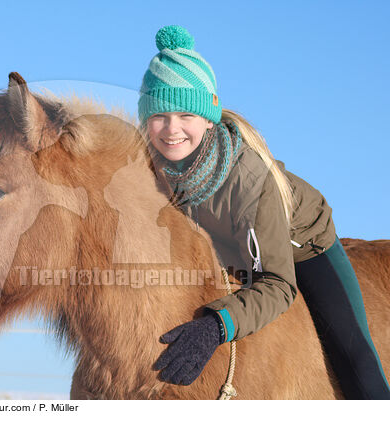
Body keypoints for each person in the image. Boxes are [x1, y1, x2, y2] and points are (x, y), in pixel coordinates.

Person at [138, 25, 390, 399]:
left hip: (300, 248)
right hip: (227, 252)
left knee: (353, 356)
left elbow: (276, 283)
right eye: (159, 115)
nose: (172, 129)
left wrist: (214, 326)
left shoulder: (249, 179)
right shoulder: (147, 170)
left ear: (208, 117)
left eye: (184, 114)